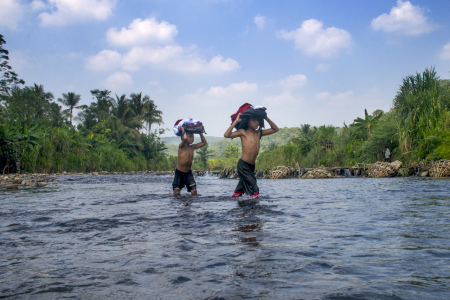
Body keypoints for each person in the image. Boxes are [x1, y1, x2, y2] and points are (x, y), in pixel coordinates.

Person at [224, 113, 279, 199]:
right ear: (247, 121)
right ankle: (254, 210)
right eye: (254, 120)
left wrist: (266, 117)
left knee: (240, 189)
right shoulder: (243, 132)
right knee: (254, 187)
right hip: (243, 165)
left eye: (258, 120)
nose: (256, 122)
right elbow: (226, 135)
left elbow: (275, 129)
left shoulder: (259, 133)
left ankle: (239, 208)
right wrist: (236, 121)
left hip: (251, 166)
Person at [173, 125, 207, 196]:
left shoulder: (192, 147)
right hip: (179, 173)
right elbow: (184, 138)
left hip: (188, 173)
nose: (192, 138)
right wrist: (182, 129)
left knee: (194, 191)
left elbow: (204, 142)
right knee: (176, 192)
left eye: (193, 137)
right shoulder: (181, 146)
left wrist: (200, 132)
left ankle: (191, 205)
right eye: (190, 137)